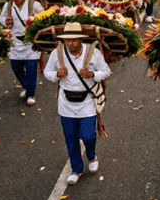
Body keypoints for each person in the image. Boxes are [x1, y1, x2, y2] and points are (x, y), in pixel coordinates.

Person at [43, 22, 111, 186]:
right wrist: (56, 75)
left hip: (87, 102)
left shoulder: (93, 52)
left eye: (74, 40)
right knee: (70, 138)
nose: (70, 43)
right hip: (66, 104)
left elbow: (107, 71)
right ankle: (76, 169)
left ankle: (91, 154)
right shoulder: (57, 53)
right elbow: (47, 72)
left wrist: (93, 74)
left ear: (81, 39)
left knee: (88, 136)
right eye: (67, 40)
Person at [0, 0, 43, 106]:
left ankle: (30, 94)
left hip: (30, 42)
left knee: (31, 68)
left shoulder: (34, 5)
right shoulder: (8, 6)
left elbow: (43, 17)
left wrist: (35, 20)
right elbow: (1, 18)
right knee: (16, 67)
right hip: (15, 41)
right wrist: (6, 21)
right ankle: (27, 86)